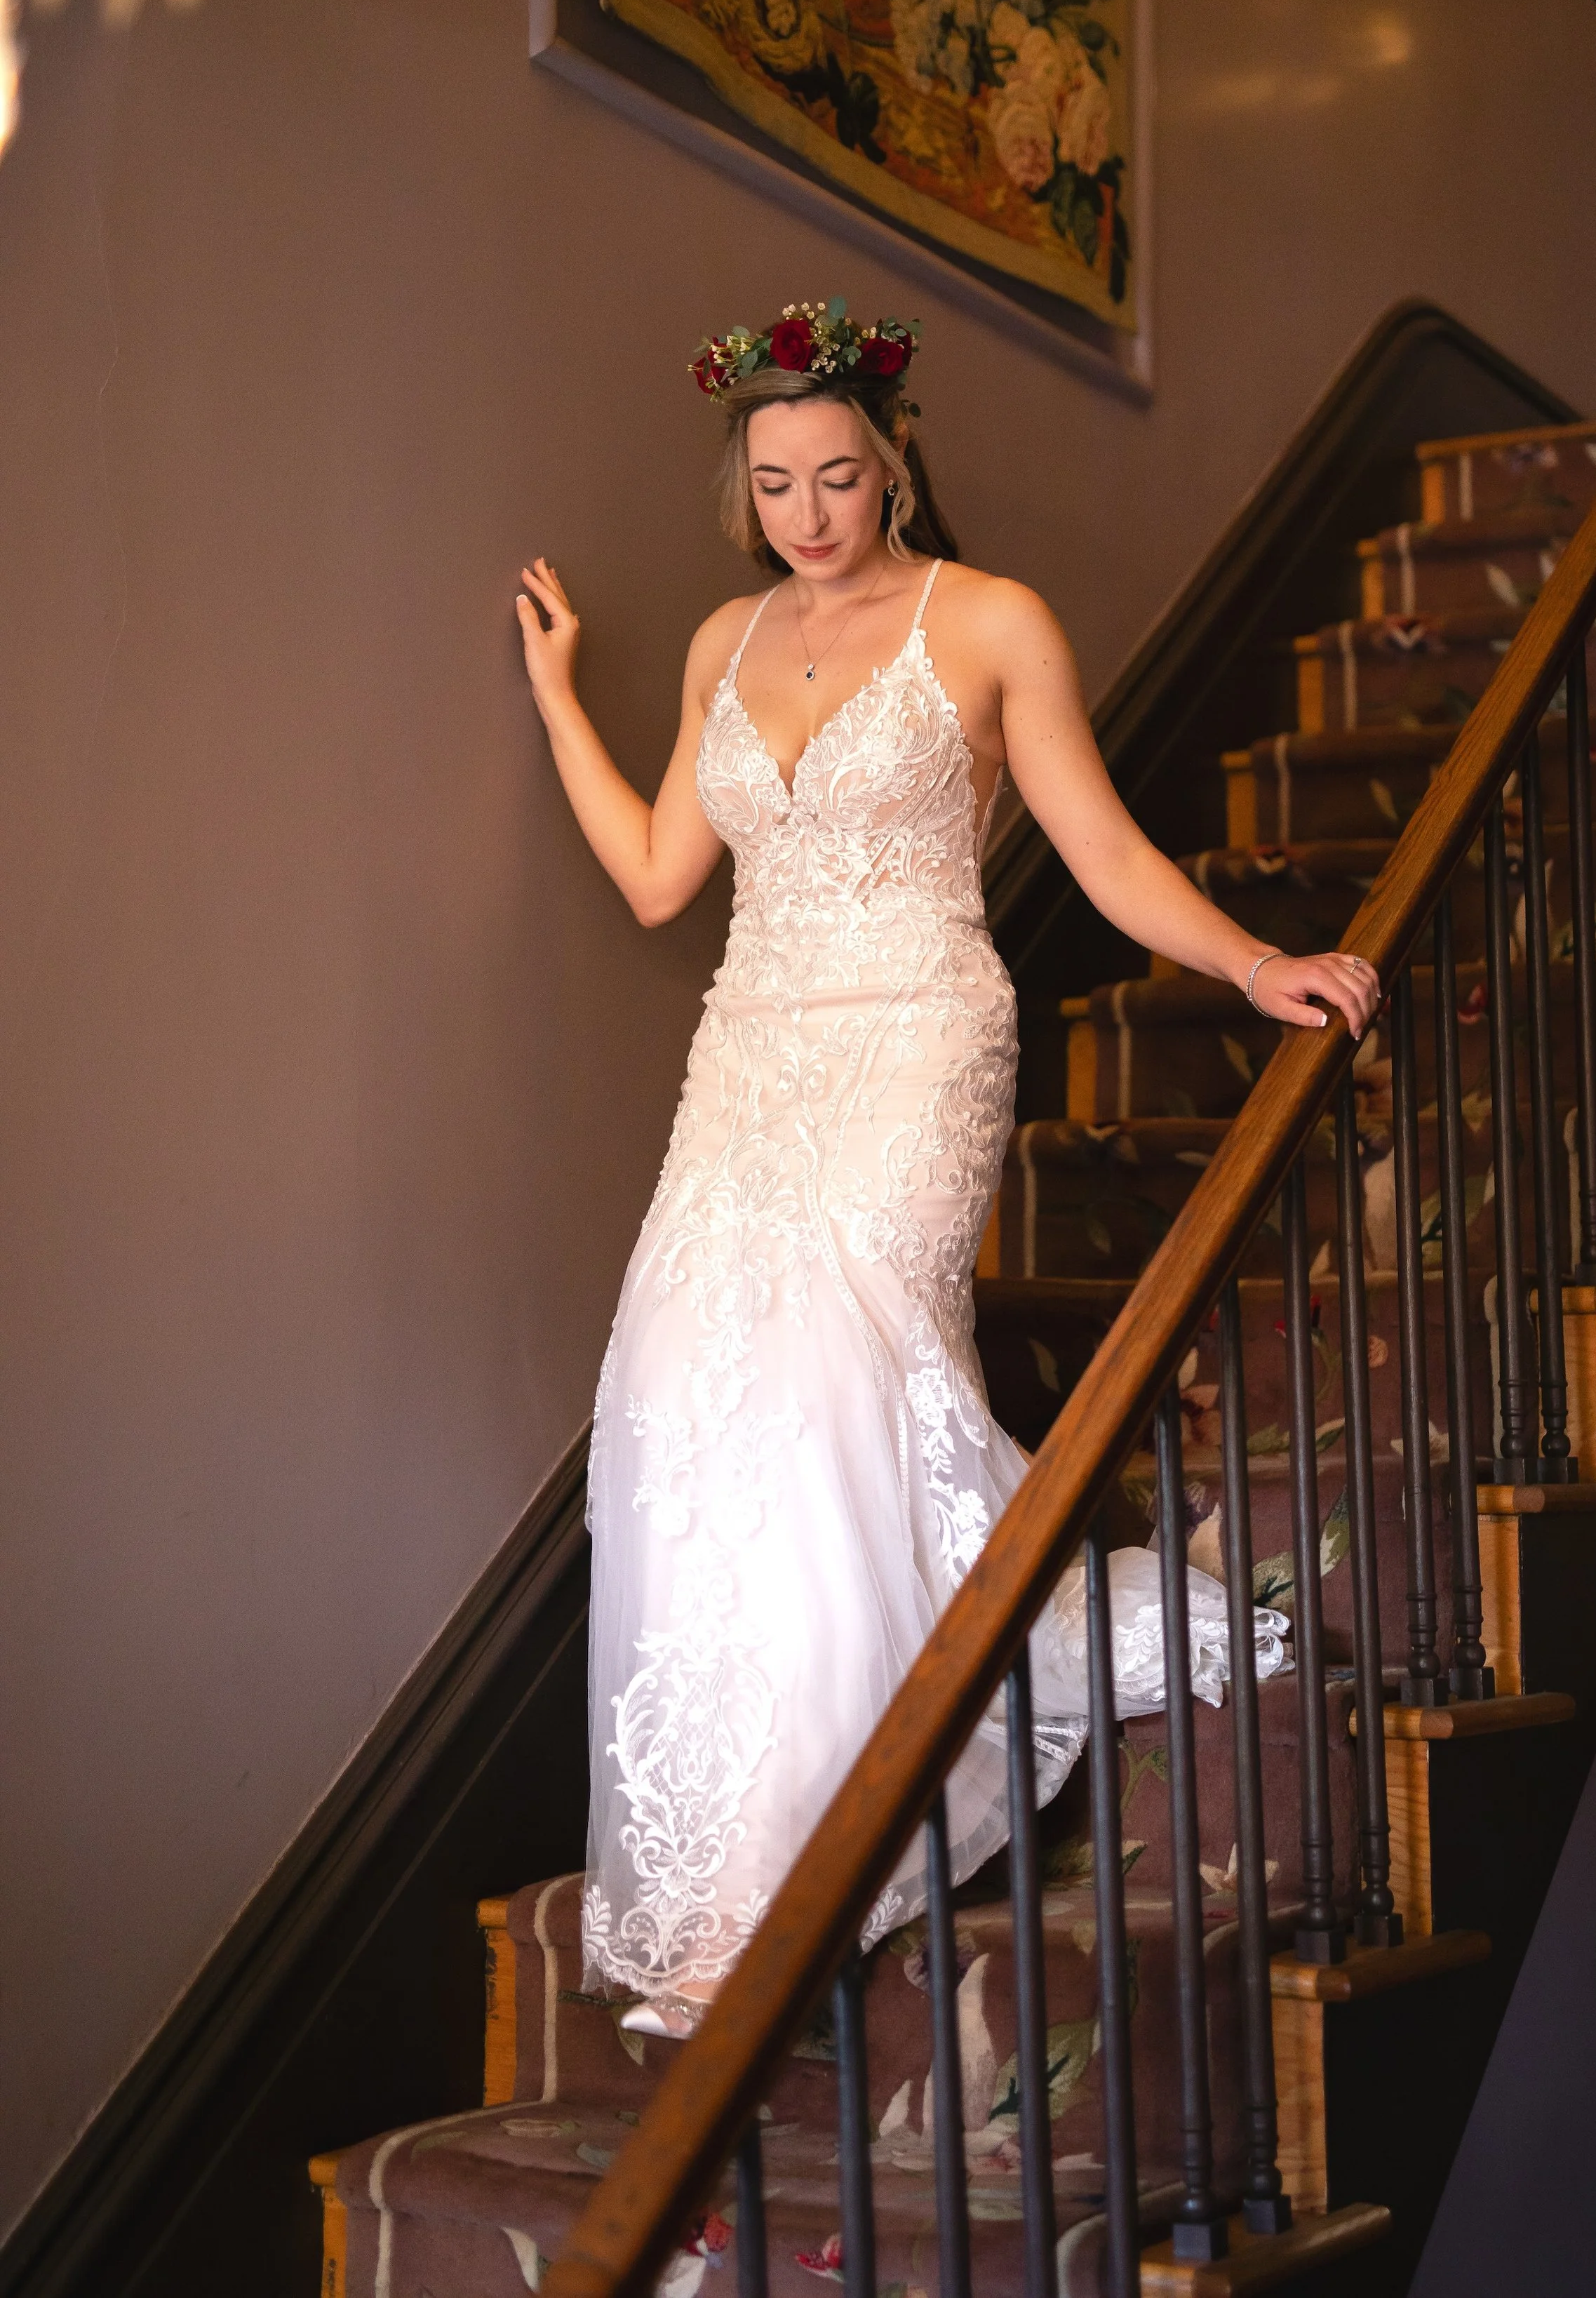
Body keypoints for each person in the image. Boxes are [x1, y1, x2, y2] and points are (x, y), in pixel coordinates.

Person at [516, 300, 1380, 2037]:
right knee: (683, 1390)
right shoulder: (717, 643)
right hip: (749, 1050)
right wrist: (555, 699)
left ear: (895, 462)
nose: (809, 514)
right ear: (742, 488)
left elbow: (1104, 846)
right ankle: (735, 1841)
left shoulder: (986, 622)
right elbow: (659, 881)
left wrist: (1248, 966)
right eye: (774, 486)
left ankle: (815, 1858)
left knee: (844, 1364)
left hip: (916, 1034)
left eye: (837, 477)